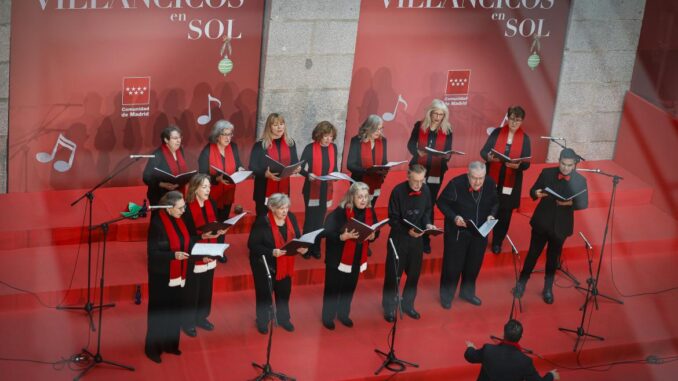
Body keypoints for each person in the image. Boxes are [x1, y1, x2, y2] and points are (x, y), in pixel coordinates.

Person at [513, 148, 588, 304]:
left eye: (569, 165)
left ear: (574, 165)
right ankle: (521, 283)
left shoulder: (580, 180)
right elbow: (533, 191)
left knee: (553, 258)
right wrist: (537, 194)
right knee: (533, 254)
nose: (565, 168)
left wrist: (570, 203)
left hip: (561, 226)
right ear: (558, 161)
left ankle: (548, 289)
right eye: (563, 164)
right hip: (542, 221)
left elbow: (583, 203)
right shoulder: (547, 173)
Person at [437, 161, 498, 308]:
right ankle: (446, 296)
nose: (477, 182)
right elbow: (441, 202)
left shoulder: (489, 183)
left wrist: (491, 215)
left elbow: (496, 203)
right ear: (468, 174)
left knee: (473, 266)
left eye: (481, 178)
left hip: (479, 233)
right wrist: (454, 217)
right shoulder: (455, 184)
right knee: (452, 267)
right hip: (458, 233)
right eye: (474, 178)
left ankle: (467, 293)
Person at [247, 193, 307, 334]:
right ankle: (262, 320)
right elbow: (252, 245)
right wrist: (271, 252)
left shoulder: (290, 217)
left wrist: (302, 248)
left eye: (286, 207)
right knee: (264, 295)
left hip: (285, 264)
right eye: (281, 208)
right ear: (272, 208)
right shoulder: (262, 222)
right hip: (264, 265)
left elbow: (297, 237)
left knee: (284, 293)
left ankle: (284, 319)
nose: (285, 211)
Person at [322, 182, 379, 330]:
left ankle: (343, 314)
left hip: (356, 257)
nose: (363, 200)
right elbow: (326, 232)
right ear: (351, 197)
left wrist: (373, 236)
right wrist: (342, 237)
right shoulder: (340, 212)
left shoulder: (369, 212)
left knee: (349, 287)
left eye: (366, 197)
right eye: (360, 197)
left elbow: (375, 228)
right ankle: (328, 316)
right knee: (333, 288)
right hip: (337, 258)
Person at [382, 164, 434, 322]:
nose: (418, 185)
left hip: (416, 239)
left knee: (414, 275)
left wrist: (428, 224)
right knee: (393, 275)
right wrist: (406, 231)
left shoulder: (425, 190)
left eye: (421, 181)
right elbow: (392, 218)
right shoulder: (397, 191)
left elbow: (427, 211)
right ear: (408, 177)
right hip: (399, 239)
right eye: (415, 181)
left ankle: (408, 305)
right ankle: (389, 307)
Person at [144, 191, 191, 363]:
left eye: (184, 206)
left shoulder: (180, 219)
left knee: (175, 308)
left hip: (179, 273)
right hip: (161, 274)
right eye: (180, 207)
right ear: (169, 208)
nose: (183, 210)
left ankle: (170, 344)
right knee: (159, 311)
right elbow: (153, 253)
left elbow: (185, 241)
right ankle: (152, 349)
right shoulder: (157, 224)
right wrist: (173, 256)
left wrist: (202, 239)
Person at [180, 174, 227, 338]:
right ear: (195, 188)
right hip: (195, 254)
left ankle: (201, 317)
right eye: (204, 187)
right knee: (192, 290)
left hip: (210, 252)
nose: (208, 190)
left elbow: (213, 226)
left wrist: (219, 230)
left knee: (206, 288)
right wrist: (201, 237)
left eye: (209, 187)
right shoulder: (185, 209)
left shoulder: (211, 204)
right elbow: (184, 237)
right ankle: (187, 321)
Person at [480, 106, 532, 254]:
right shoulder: (497, 133)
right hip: (492, 178)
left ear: (522, 121)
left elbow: (527, 163)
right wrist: (488, 158)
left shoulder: (525, 139)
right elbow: (483, 151)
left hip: (511, 181)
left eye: (518, 120)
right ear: (508, 118)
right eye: (512, 118)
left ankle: (497, 242)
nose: (514, 122)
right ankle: (481, 238)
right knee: (486, 209)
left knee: (505, 213)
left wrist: (518, 165)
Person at [407, 99, 454, 253]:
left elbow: (448, 151)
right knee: (414, 201)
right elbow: (410, 145)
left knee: (429, 203)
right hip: (418, 168)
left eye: (441, 115)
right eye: (436, 114)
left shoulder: (448, 130)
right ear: (430, 112)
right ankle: (411, 232)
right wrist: (417, 152)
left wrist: (447, 156)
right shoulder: (419, 126)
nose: (438, 117)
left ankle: (425, 238)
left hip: (436, 170)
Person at [464, 319, 559, 381]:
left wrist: (470, 347)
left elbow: (470, 356)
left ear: (503, 334)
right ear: (521, 336)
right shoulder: (525, 361)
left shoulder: (488, 350)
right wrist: (551, 375)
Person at [299, 121, 339, 259]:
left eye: (331, 136)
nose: (329, 139)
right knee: (310, 220)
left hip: (326, 189)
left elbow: (335, 168)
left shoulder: (333, 148)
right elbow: (299, 168)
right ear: (319, 135)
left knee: (320, 221)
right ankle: (306, 247)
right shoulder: (309, 148)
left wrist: (336, 175)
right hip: (311, 189)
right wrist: (307, 175)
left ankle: (316, 247)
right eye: (326, 136)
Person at [249, 113, 300, 216]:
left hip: (283, 190)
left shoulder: (290, 143)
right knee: (263, 222)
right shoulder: (260, 145)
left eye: (281, 124)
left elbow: (295, 161)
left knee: (280, 221)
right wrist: (265, 174)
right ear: (269, 127)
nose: (279, 127)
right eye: (275, 125)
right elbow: (251, 167)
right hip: (263, 189)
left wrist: (297, 168)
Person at [198, 119, 245, 222]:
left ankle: (222, 238)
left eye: (230, 134)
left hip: (228, 192)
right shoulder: (207, 151)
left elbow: (238, 163)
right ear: (217, 135)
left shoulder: (233, 147)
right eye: (225, 134)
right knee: (213, 222)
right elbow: (201, 175)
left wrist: (241, 169)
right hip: (211, 194)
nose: (228, 138)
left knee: (224, 222)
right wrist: (216, 179)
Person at [346, 114, 388, 207]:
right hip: (359, 182)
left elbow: (384, 161)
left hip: (376, 181)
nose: (379, 132)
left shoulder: (383, 141)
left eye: (381, 129)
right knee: (358, 211)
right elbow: (350, 164)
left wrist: (385, 169)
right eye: (376, 129)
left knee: (370, 209)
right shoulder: (357, 141)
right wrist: (366, 171)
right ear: (368, 128)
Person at [143, 126, 191, 205]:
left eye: (180, 137)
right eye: (175, 138)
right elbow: (146, 177)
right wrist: (162, 184)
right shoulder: (158, 154)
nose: (179, 140)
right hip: (160, 196)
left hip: (178, 192)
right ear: (166, 140)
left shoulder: (180, 150)